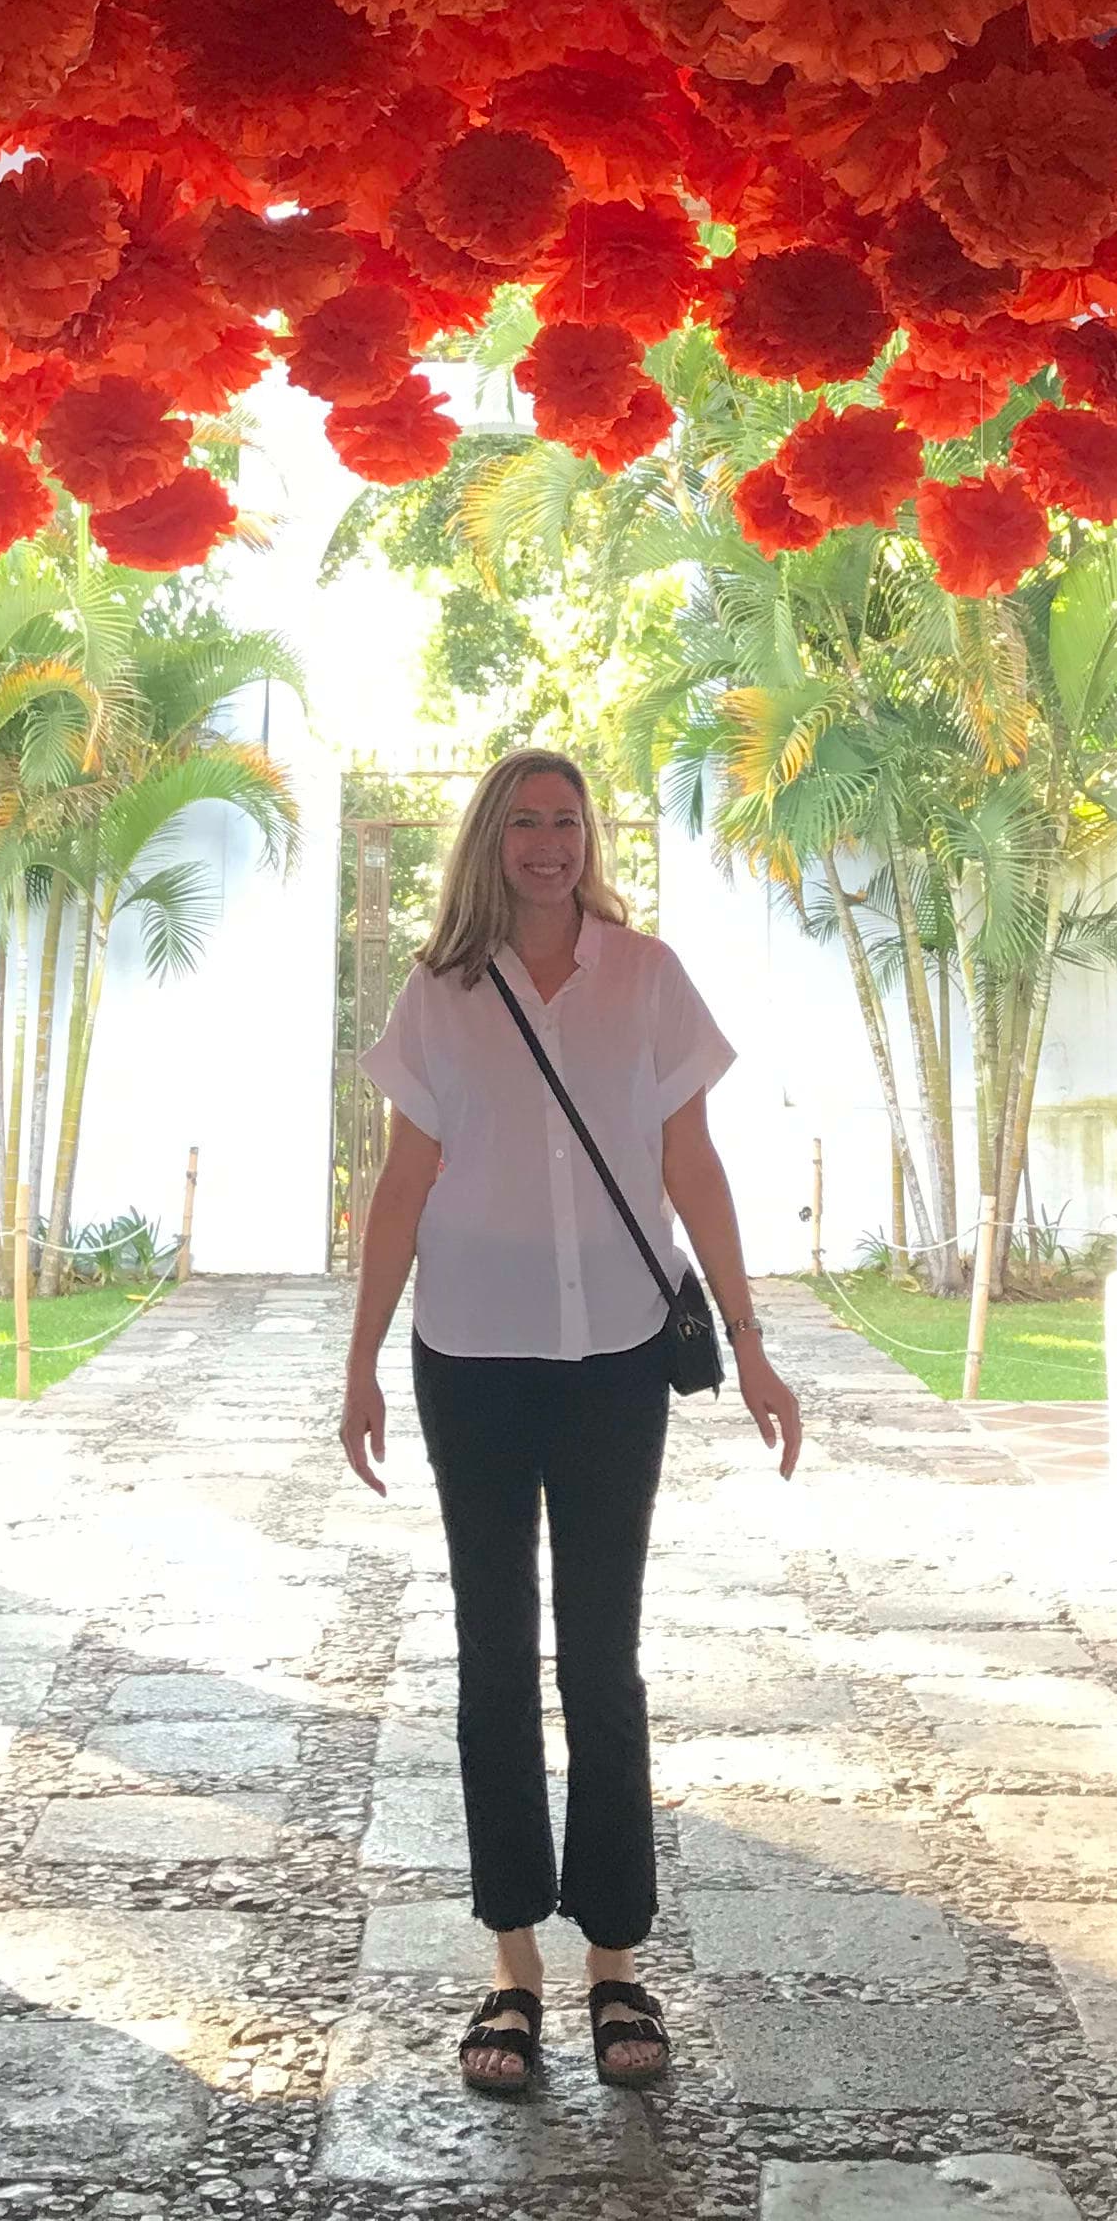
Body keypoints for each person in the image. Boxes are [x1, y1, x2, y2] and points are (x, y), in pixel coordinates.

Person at [338, 747, 803, 2098]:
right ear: (490, 840)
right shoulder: (439, 992)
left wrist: (753, 1347)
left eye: (567, 821)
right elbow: (402, 1183)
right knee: (494, 1660)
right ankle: (512, 1971)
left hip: (613, 1361)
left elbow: (690, 1164)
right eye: (524, 822)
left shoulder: (646, 978)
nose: (548, 842)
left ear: (588, 839)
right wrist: (360, 1361)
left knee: (603, 1661)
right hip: (471, 1360)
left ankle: (613, 1961)